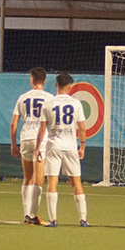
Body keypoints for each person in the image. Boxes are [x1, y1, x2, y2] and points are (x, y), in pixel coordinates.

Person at [36, 72, 89, 227]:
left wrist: (38, 147)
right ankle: (83, 219)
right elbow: (82, 127)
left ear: (56, 85)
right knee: (76, 182)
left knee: (52, 181)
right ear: (69, 87)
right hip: (71, 146)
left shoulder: (48, 103)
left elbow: (42, 128)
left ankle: (53, 219)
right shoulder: (76, 104)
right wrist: (82, 146)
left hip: (54, 145)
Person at [11, 66, 54, 225]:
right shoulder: (50, 98)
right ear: (45, 80)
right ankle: (32, 215)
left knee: (27, 178)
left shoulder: (22, 98)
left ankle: (26, 214)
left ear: (32, 80)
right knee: (39, 179)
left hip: (25, 138)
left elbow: (14, 123)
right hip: (40, 140)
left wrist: (13, 144)